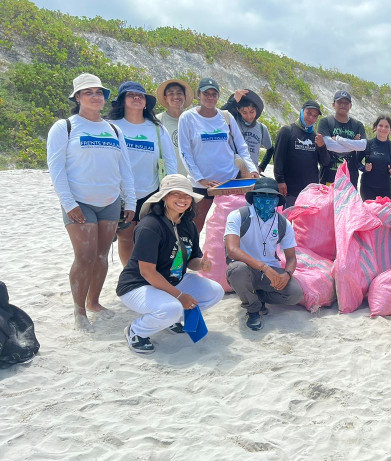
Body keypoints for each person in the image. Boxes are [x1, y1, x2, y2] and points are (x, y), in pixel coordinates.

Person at [46, 73, 136, 332]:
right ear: (77, 97)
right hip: (79, 201)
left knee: (101, 255)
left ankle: (94, 302)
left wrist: (129, 200)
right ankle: (79, 310)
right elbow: (57, 168)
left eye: (99, 92)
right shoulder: (65, 127)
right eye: (88, 92)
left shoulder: (114, 128)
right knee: (84, 256)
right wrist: (68, 202)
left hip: (109, 200)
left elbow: (124, 169)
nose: (95, 97)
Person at [116, 174, 224, 353]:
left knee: (215, 292)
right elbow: (147, 272)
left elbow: (191, 261)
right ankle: (136, 331)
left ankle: (170, 320)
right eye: (176, 194)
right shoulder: (150, 226)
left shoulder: (188, 225)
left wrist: (202, 265)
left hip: (173, 279)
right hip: (138, 285)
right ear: (164, 197)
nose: (183, 199)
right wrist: (180, 296)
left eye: (187, 195)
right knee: (172, 308)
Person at [108, 81, 178, 266]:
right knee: (125, 237)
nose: (137, 98)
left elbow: (170, 161)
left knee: (147, 236)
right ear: (122, 101)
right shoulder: (111, 126)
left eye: (141, 96)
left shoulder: (157, 128)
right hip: (120, 192)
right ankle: (130, 274)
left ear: (146, 102)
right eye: (131, 95)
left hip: (151, 192)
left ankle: (146, 273)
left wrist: (171, 190)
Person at [178, 77, 258, 232]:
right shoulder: (187, 118)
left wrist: (252, 168)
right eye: (206, 93)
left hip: (229, 180)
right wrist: (200, 178)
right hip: (201, 183)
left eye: (214, 94)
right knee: (194, 225)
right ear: (198, 95)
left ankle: (224, 256)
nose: (210, 97)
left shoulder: (225, 116)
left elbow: (241, 146)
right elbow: (185, 152)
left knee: (229, 225)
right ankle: (192, 256)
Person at [224, 177, 304, 330]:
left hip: (270, 270)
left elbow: (291, 257)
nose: (266, 199)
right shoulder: (238, 216)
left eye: (271, 196)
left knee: (295, 294)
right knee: (236, 270)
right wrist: (263, 268)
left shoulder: (283, 223)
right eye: (261, 195)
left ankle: (257, 296)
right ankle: (253, 309)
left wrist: (286, 274)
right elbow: (232, 250)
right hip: (247, 269)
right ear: (253, 197)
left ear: (277, 200)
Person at [273, 100, 331, 207]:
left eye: (315, 116)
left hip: (310, 193)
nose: (311, 118)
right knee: (288, 222)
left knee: (305, 223)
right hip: (289, 191)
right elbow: (278, 159)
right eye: (308, 113)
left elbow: (326, 162)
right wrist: (280, 181)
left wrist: (322, 146)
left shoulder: (316, 137)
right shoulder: (287, 131)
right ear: (301, 111)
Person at [317, 90, 367, 187]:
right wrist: (353, 144)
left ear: (350, 106)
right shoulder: (325, 122)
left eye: (346, 103)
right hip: (329, 177)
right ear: (333, 104)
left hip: (350, 179)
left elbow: (363, 145)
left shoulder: (357, 125)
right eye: (340, 102)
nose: (343, 105)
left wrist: (339, 140)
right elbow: (328, 144)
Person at [220, 89, 274, 172]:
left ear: (256, 110)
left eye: (252, 112)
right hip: (232, 173)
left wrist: (261, 167)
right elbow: (218, 118)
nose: (249, 116)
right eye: (244, 112)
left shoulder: (262, 128)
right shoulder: (233, 123)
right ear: (238, 110)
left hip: (252, 174)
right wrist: (233, 101)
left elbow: (270, 149)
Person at [155, 78, 194, 175]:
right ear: (165, 98)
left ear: (185, 97)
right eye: (171, 93)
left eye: (179, 93)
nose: (175, 96)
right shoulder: (157, 121)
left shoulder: (193, 120)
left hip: (193, 179)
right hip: (168, 179)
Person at [359, 115, 391, 201]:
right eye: (380, 125)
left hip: (386, 188)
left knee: (386, 214)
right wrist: (364, 168)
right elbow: (356, 162)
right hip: (367, 187)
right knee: (369, 214)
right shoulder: (367, 144)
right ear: (375, 127)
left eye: (386, 126)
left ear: (390, 130)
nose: (383, 129)